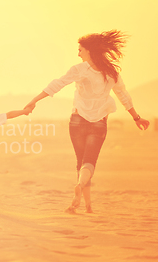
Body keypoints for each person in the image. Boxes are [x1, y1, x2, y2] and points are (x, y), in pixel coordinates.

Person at [24, 30, 150, 213]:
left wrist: (34, 100)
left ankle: (83, 203)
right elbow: (123, 95)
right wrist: (136, 117)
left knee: (80, 162)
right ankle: (86, 202)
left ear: (89, 51)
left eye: (80, 50)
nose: (78, 53)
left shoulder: (79, 69)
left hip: (77, 121)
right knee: (89, 162)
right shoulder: (111, 73)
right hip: (99, 123)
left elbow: (57, 84)